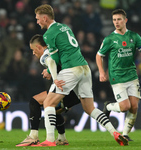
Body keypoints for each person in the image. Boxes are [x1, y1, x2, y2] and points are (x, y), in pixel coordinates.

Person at [33, 4, 128, 147]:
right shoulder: (65, 27)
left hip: (71, 69)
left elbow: (53, 59)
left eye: (38, 18)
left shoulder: (48, 34)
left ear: (45, 18)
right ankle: (114, 132)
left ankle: (50, 140)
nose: (37, 21)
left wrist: (52, 75)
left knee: (48, 103)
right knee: (90, 108)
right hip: (84, 68)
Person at [16, 34, 80, 147]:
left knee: (35, 101)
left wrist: (53, 76)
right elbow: (60, 66)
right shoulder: (56, 51)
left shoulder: (45, 55)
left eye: (33, 50)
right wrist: (50, 72)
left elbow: (52, 62)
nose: (33, 53)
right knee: (52, 108)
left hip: (66, 89)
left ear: (39, 47)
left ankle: (33, 136)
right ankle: (61, 138)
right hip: (75, 88)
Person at [96, 9, 141, 141]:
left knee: (134, 106)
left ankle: (125, 134)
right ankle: (108, 106)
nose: (116, 22)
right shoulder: (110, 39)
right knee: (125, 107)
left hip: (132, 75)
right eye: (114, 20)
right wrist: (101, 71)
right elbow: (99, 55)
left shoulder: (135, 36)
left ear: (125, 20)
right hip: (117, 77)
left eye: (119, 19)